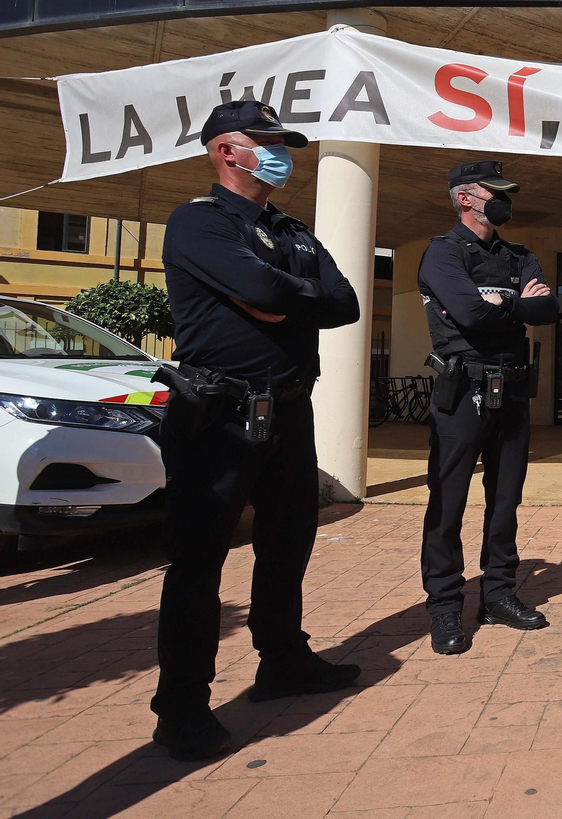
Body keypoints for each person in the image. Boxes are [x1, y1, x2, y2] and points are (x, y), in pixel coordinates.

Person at [152, 100, 362, 761]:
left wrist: (282, 298)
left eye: (282, 144)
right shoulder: (198, 222)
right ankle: (182, 706)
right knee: (199, 560)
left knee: (287, 543)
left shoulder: (292, 230)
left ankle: (284, 661)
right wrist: (287, 296)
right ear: (226, 151)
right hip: (220, 414)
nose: (279, 155)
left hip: (290, 410)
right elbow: (268, 291)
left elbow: (346, 302)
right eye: (265, 143)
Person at [418, 160, 558, 655]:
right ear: (464, 198)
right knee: (448, 502)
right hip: (462, 392)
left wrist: (505, 306)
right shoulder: (443, 252)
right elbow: (471, 314)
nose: (504, 201)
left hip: (512, 392)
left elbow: (549, 309)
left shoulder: (520, 255)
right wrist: (517, 304)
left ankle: (498, 594)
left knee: (505, 500)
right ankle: (444, 605)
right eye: (494, 193)